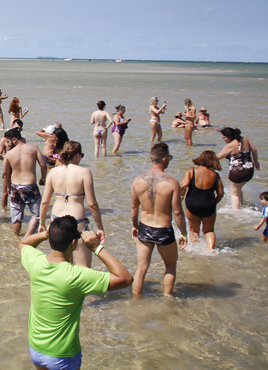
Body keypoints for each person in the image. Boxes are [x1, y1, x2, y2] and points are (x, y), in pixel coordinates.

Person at [19, 216, 132, 370]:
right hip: (62, 355)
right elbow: (125, 278)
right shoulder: (77, 276)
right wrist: (97, 248)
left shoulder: (36, 262)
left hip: (36, 349)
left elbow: (24, 243)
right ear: (74, 243)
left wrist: (47, 234)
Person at [131, 142, 188, 297]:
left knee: (141, 269)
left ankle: (136, 301)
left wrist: (135, 226)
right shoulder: (172, 183)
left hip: (145, 227)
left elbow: (134, 208)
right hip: (163, 229)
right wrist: (184, 233)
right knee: (170, 265)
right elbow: (178, 213)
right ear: (164, 160)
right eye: (169, 157)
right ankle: (167, 299)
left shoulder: (138, 180)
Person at [38, 141, 105, 268]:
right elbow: (92, 204)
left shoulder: (53, 172)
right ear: (77, 155)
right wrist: (100, 227)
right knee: (83, 268)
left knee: (63, 265)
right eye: (82, 155)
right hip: (77, 221)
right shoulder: (84, 172)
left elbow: (45, 202)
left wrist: (42, 223)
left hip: (56, 219)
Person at [2, 128, 48, 236]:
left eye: (8, 142)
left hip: (15, 186)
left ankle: (16, 237)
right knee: (37, 215)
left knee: (16, 216)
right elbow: (43, 165)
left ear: (14, 140)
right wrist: (43, 178)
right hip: (30, 186)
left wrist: (8, 187)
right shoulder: (33, 148)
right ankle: (27, 237)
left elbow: (5, 173)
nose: (7, 145)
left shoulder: (9, 154)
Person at [179, 151, 224, 253]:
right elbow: (220, 193)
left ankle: (195, 250)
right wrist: (214, 203)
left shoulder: (191, 171)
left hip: (192, 203)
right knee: (209, 230)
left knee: (194, 229)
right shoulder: (215, 175)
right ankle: (211, 250)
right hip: (209, 204)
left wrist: (181, 196)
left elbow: (183, 185)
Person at [216, 127, 260, 209]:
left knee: (234, 193)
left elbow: (219, 156)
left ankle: (236, 213)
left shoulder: (230, 145)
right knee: (238, 189)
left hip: (237, 173)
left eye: (224, 137)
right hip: (249, 171)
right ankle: (241, 206)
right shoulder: (245, 139)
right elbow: (254, 149)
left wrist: (206, 157)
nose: (224, 139)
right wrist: (256, 162)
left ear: (229, 136)